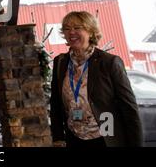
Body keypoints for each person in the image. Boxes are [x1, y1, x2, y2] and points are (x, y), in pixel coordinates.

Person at [50, 11, 143, 147]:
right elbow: (56, 103)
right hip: (74, 138)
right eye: (67, 29)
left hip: (106, 137)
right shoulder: (61, 62)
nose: (71, 33)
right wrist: (58, 137)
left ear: (91, 31)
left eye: (77, 28)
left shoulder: (109, 62)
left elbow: (129, 108)